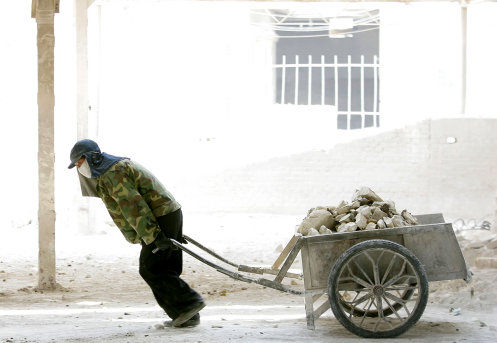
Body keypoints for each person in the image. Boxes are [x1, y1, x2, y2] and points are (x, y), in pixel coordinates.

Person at [68, 139, 205, 328]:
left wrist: (154, 235)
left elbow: (134, 207)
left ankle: (189, 304)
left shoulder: (112, 173)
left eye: (79, 162)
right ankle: (187, 316)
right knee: (165, 267)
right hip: (167, 214)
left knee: (150, 268)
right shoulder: (109, 171)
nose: (78, 167)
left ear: (90, 158)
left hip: (159, 217)